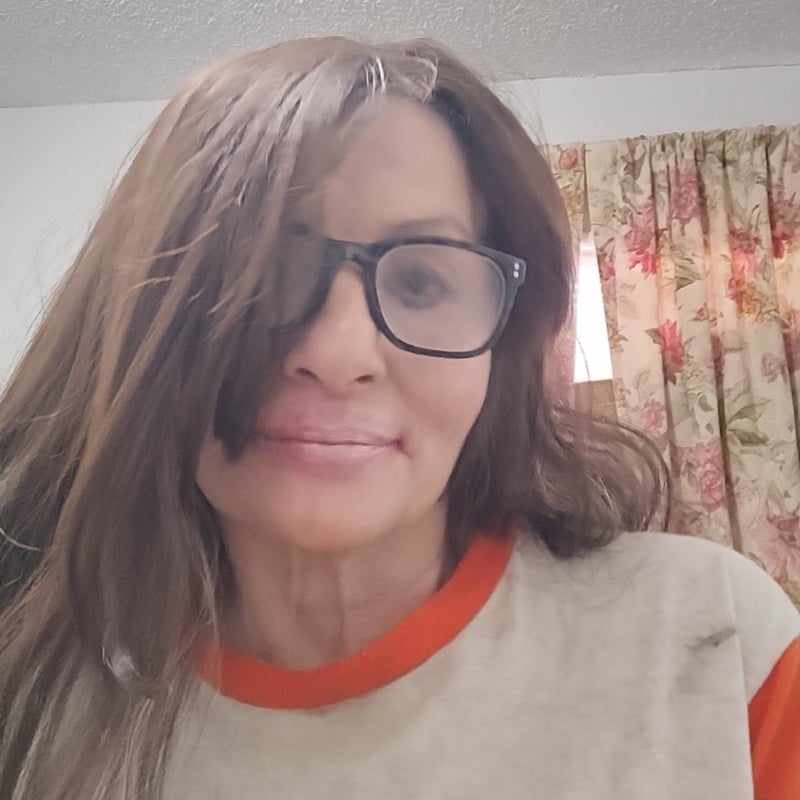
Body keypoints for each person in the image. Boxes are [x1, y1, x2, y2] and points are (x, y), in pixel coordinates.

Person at [0, 37, 798, 800]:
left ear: (504, 346)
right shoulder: (32, 708)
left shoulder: (716, 641)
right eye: (263, 274)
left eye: (422, 283)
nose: (339, 351)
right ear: (143, 323)